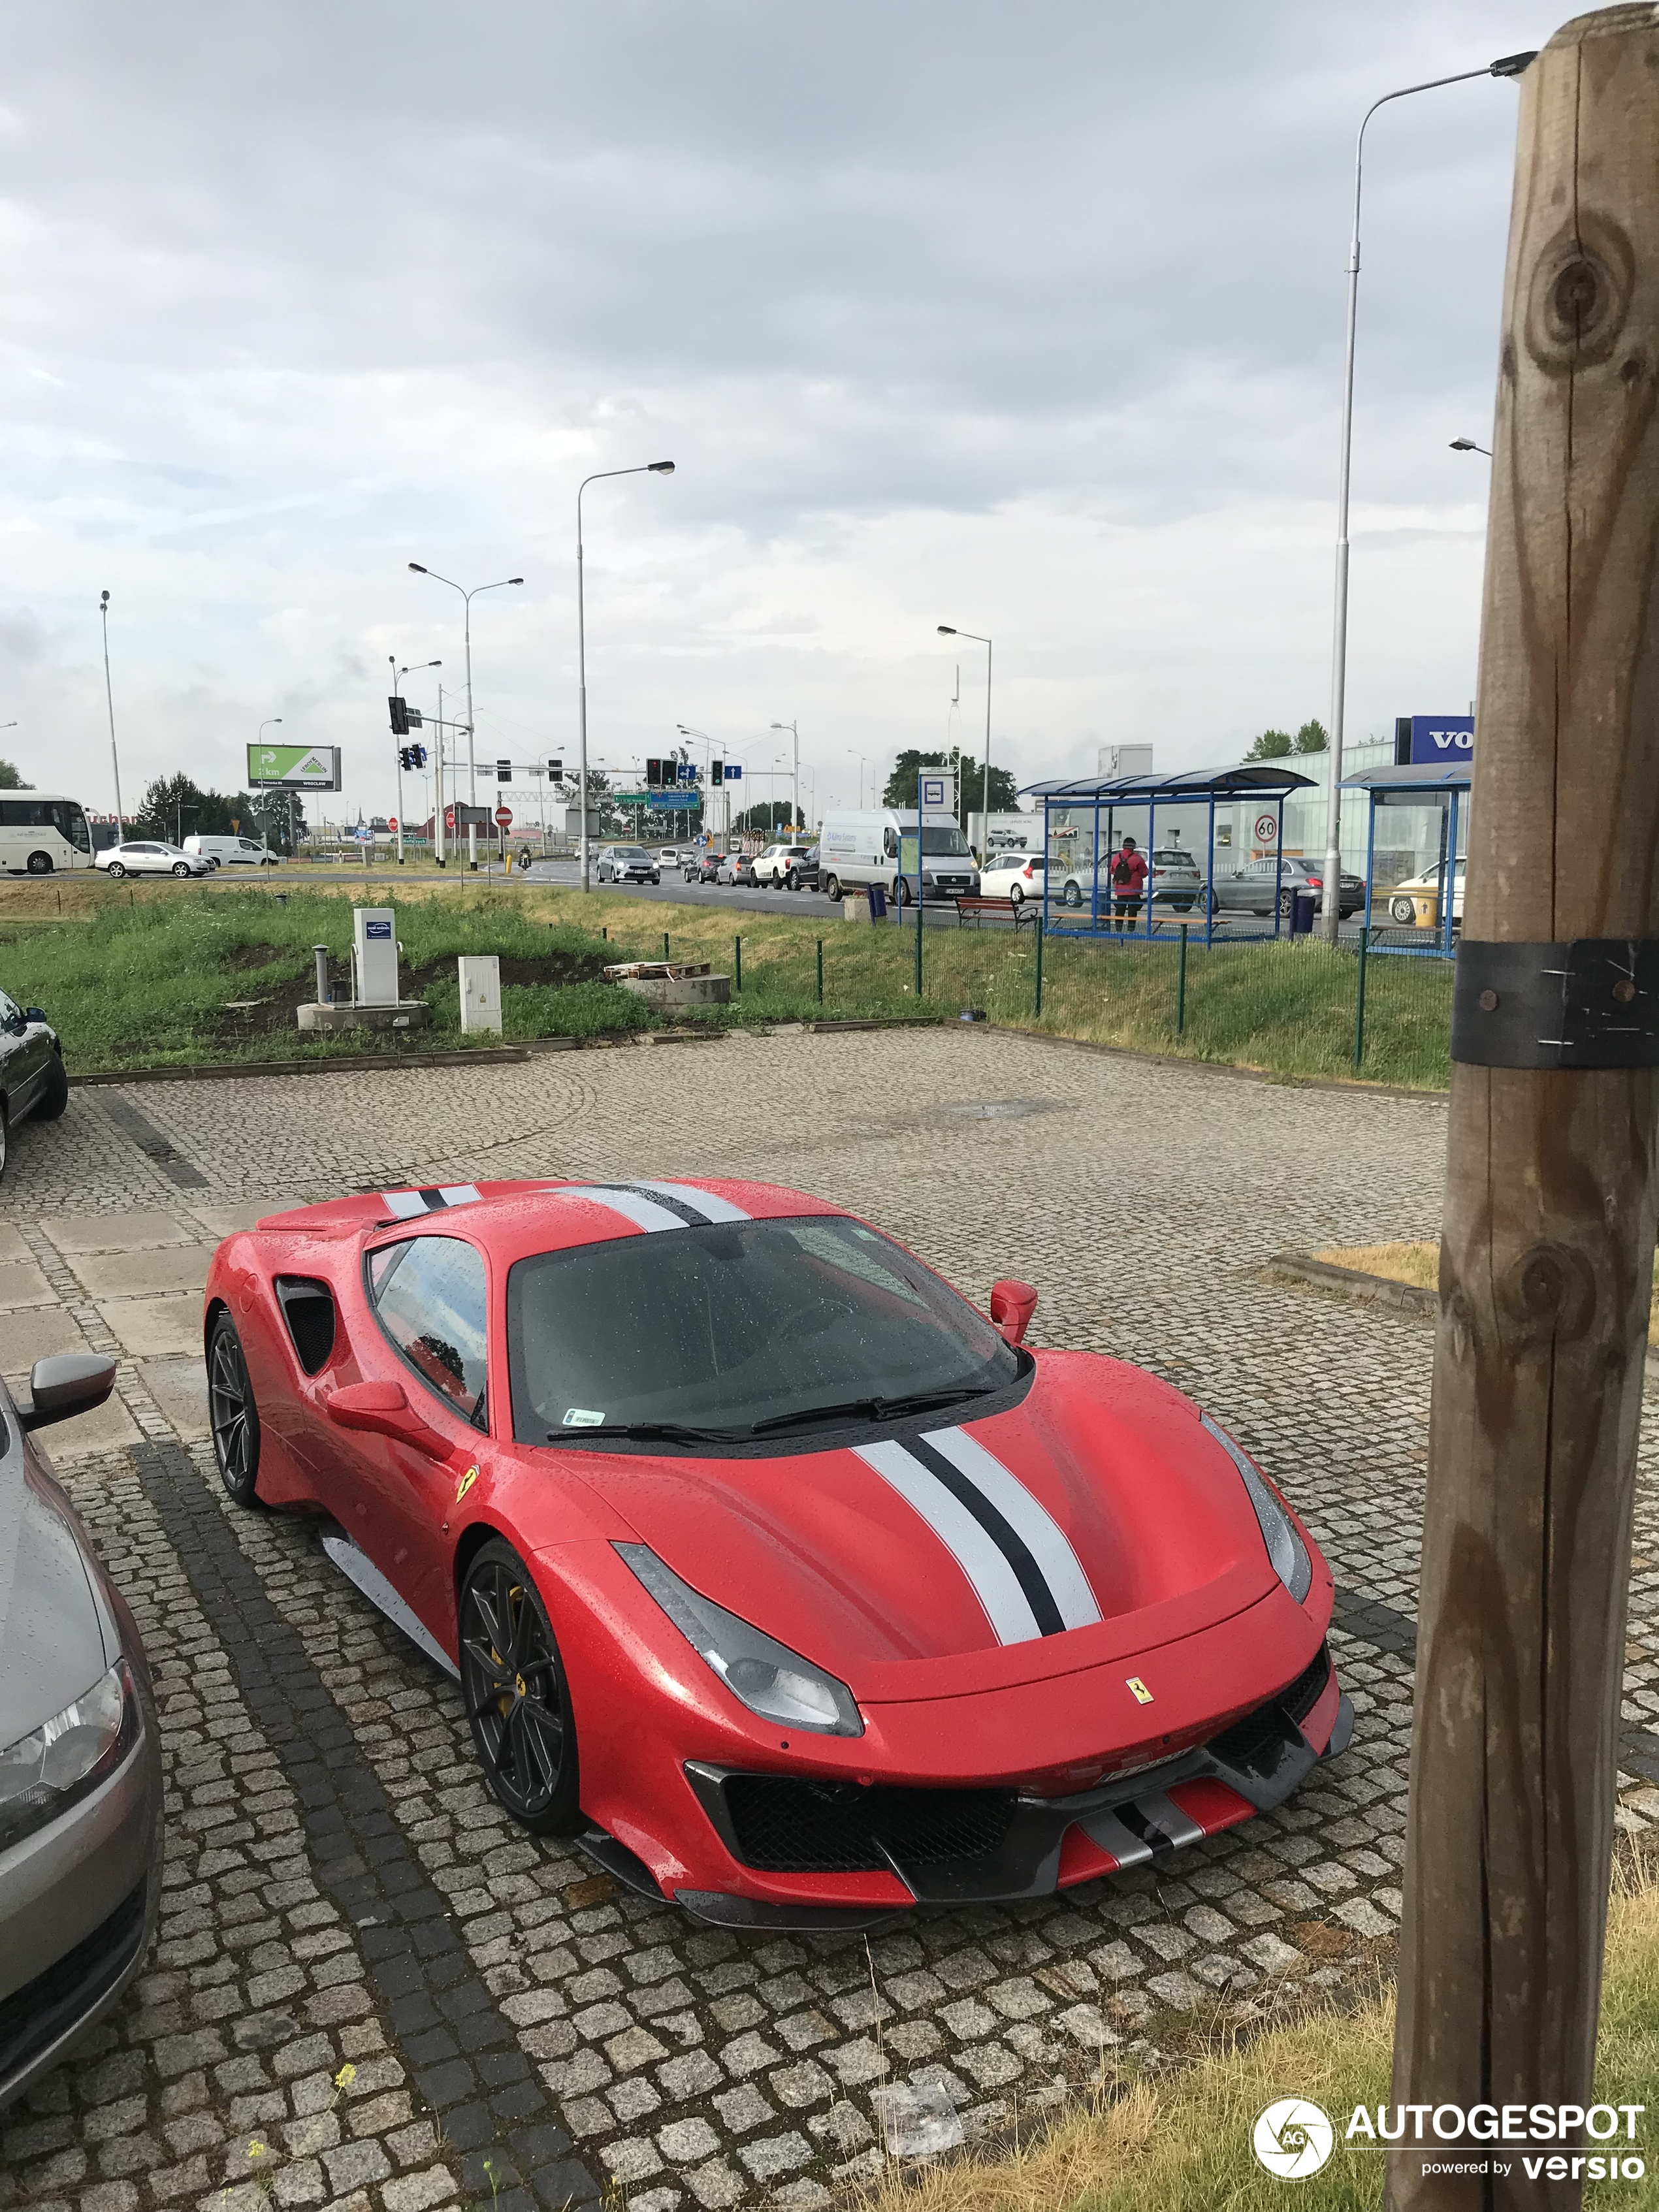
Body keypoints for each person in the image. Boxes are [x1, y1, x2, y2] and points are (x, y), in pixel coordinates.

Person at [1110, 835, 1148, 934]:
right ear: (1134, 847)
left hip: (1120, 889)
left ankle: (1118, 930)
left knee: (1120, 909)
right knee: (1132, 910)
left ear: (1123, 846)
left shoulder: (1116, 858)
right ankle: (1131, 930)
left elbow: (1112, 870)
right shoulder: (1137, 858)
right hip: (1134, 889)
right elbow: (1144, 872)